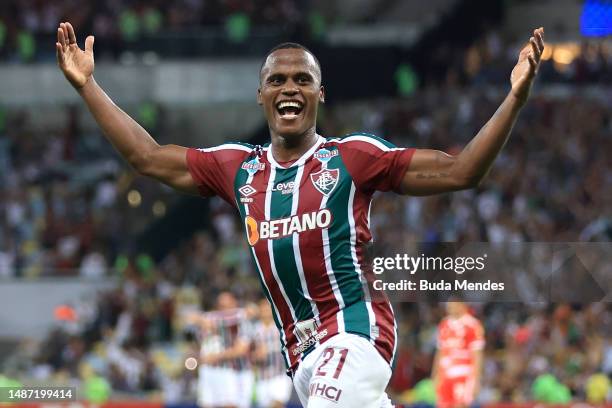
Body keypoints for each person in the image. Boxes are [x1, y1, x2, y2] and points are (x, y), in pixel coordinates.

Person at [55, 22, 544, 407]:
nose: (290, 87)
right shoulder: (239, 170)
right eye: (277, 80)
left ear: (319, 95)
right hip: (301, 355)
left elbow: (461, 172)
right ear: (262, 96)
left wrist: (514, 98)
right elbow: (148, 157)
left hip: (356, 334)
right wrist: (88, 86)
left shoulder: (350, 158)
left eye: (302, 79)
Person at [187, 292, 253, 408]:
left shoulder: (242, 320)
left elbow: (240, 350)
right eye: (221, 306)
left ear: (235, 303)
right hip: (208, 371)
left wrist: (215, 357)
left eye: (228, 306)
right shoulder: (208, 323)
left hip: (233, 371)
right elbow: (191, 321)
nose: (225, 310)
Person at [432, 302, 485, 408]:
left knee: (460, 405)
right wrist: (435, 375)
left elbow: (477, 355)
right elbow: (440, 351)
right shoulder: (444, 324)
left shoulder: (473, 325)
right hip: (445, 374)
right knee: (442, 404)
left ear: (463, 305)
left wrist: (476, 379)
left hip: (463, 374)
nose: (450, 307)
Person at [252, 298, 294, 408]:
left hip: (280, 375)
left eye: (268, 308)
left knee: (277, 404)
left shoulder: (281, 328)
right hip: (262, 378)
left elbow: (290, 346)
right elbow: (247, 353)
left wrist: (270, 349)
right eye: (263, 308)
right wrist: (255, 355)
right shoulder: (253, 329)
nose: (265, 311)